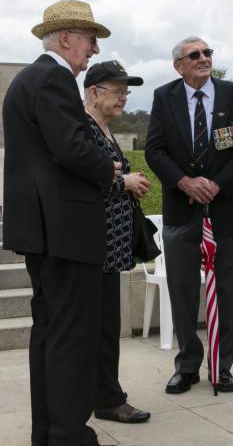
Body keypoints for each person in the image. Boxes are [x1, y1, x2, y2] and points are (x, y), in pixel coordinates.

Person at [2, 0, 119, 446]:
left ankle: (49, 433)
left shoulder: (29, 78)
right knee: (72, 338)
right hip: (64, 229)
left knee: (50, 335)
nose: (92, 50)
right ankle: (69, 434)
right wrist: (106, 168)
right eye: (90, 40)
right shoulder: (52, 78)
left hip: (45, 230)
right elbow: (70, 148)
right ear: (66, 37)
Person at [145, 36, 233, 395]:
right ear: (178, 65)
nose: (204, 59)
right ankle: (188, 365)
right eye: (194, 55)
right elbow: (155, 150)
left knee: (225, 290)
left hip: (225, 210)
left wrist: (216, 184)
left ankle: (222, 367)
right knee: (182, 291)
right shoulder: (165, 97)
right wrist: (184, 182)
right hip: (181, 212)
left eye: (208, 52)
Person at [81, 60, 152, 425]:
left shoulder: (104, 131)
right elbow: (82, 177)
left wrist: (128, 180)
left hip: (111, 249)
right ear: (94, 92)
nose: (123, 97)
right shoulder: (84, 129)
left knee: (107, 327)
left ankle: (106, 395)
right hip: (94, 247)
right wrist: (123, 182)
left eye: (127, 91)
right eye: (117, 90)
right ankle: (107, 399)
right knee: (100, 329)